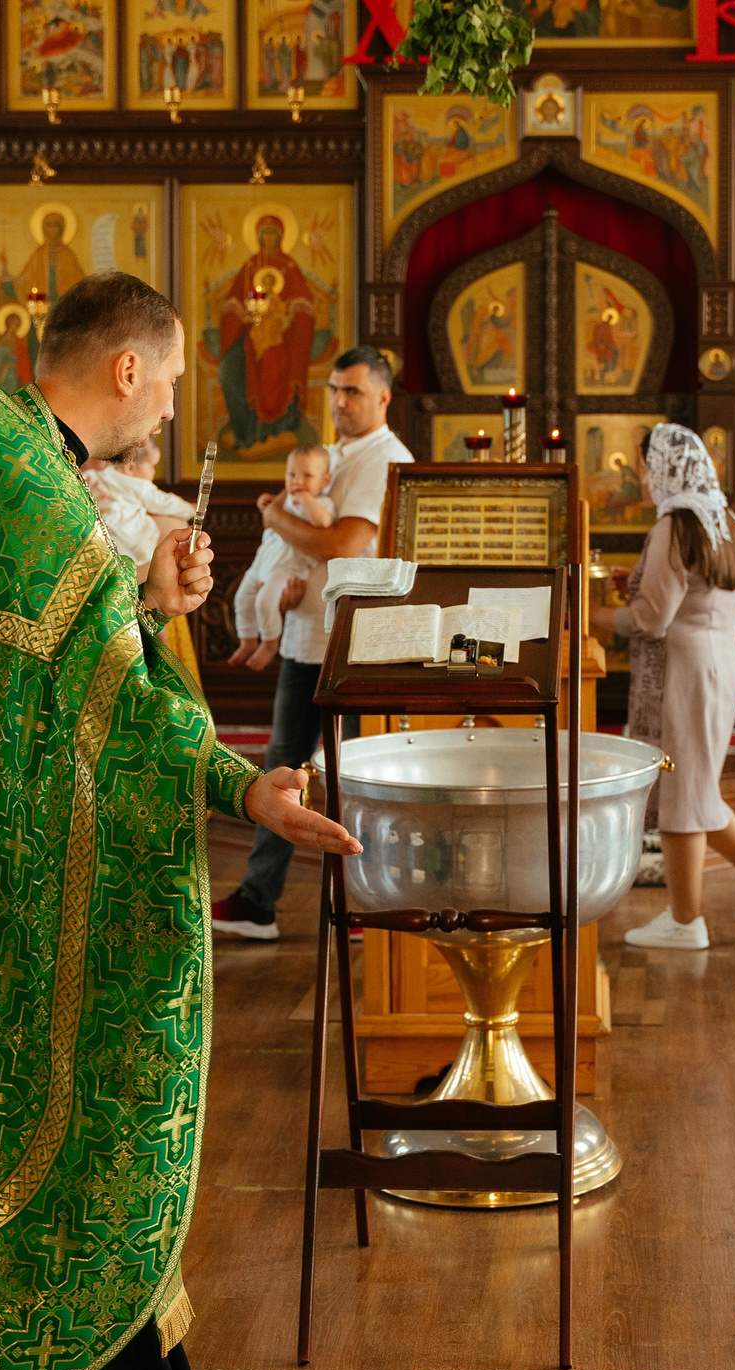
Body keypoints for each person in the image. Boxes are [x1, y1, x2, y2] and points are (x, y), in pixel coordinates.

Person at [0, 273, 360, 1370]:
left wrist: (152, 601)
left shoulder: (22, 471)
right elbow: (118, 714)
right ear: (127, 371)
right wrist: (250, 795)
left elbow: (78, 674)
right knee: (95, 1131)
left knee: (71, 1126)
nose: (177, 404)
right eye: (175, 380)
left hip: (31, 855)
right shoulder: (43, 500)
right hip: (53, 878)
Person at [212, 346, 412, 942]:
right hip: (308, 637)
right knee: (283, 768)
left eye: (352, 391)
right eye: (333, 389)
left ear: (383, 396)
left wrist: (274, 519)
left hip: (354, 646)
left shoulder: (384, 458)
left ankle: (363, 902)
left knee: (354, 775)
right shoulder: (332, 455)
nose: (339, 402)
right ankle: (258, 898)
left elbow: (344, 544)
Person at [591, 426, 735, 950]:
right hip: (721, 661)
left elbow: (652, 619)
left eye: (645, 465)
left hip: (684, 670)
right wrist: (632, 580)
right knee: (697, 788)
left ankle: (686, 921)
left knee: (683, 793)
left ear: (664, 469)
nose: (642, 476)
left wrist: (590, 615)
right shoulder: (725, 520)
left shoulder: (674, 525)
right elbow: (699, 592)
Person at [84, 437, 205, 693]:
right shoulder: (131, 484)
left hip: (120, 560)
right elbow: (162, 501)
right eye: (151, 466)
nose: (151, 473)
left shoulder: (91, 479)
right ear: (129, 467)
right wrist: (190, 509)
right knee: (151, 627)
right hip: (139, 557)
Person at [230, 445, 334, 668]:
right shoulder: (288, 498)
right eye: (292, 475)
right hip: (264, 560)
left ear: (325, 481)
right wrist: (265, 503)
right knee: (241, 599)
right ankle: (247, 640)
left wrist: (305, 498)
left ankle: (269, 643)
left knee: (264, 603)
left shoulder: (321, 504)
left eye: (307, 476)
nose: (297, 481)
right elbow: (272, 512)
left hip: (287, 568)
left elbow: (323, 522)